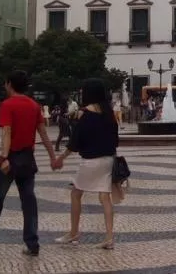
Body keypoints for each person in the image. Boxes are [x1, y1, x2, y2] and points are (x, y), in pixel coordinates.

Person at [0, 70, 58, 255]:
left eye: (5, 83)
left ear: (9, 84)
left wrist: (4, 157)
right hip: (28, 159)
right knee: (29, 201)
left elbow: (6, 132)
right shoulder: (34, 105)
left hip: (12, 157)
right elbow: (43, 133)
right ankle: (31, 243)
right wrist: (52, 157)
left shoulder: (8, 105)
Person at [53, 78, 119, 249]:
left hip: (91, 161)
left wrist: (61, 157)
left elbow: (75, 140)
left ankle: (74, 232)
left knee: (76, 194)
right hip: (108, 160)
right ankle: (109, 238)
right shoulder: (109, 113)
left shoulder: (85, 113)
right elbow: (115, 140)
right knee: (105, 197)